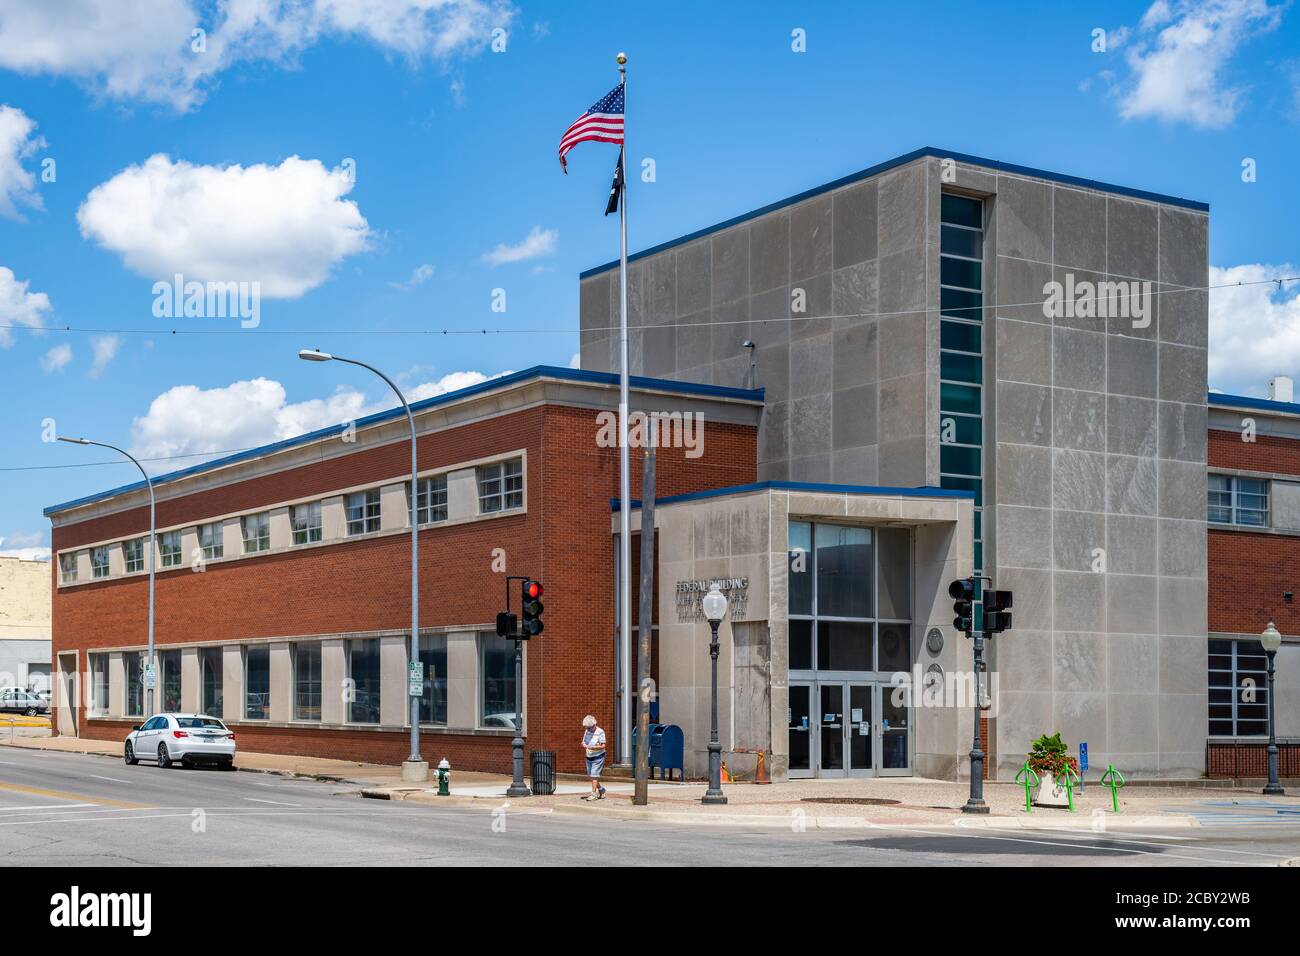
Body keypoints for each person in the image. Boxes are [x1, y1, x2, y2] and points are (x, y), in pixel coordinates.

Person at [582, 715, 606, 800]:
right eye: (587, 728)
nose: (588, 730)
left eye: (590, 728)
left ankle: (593, 794)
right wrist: (584, 745)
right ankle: (601, 790)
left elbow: (603, 746)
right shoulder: (587, 731)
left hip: (598, 756)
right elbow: (584, 742)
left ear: (594, 725)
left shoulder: (600, 732)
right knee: (592, 776)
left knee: (594, 775)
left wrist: (594, 747)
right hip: (589, 755)